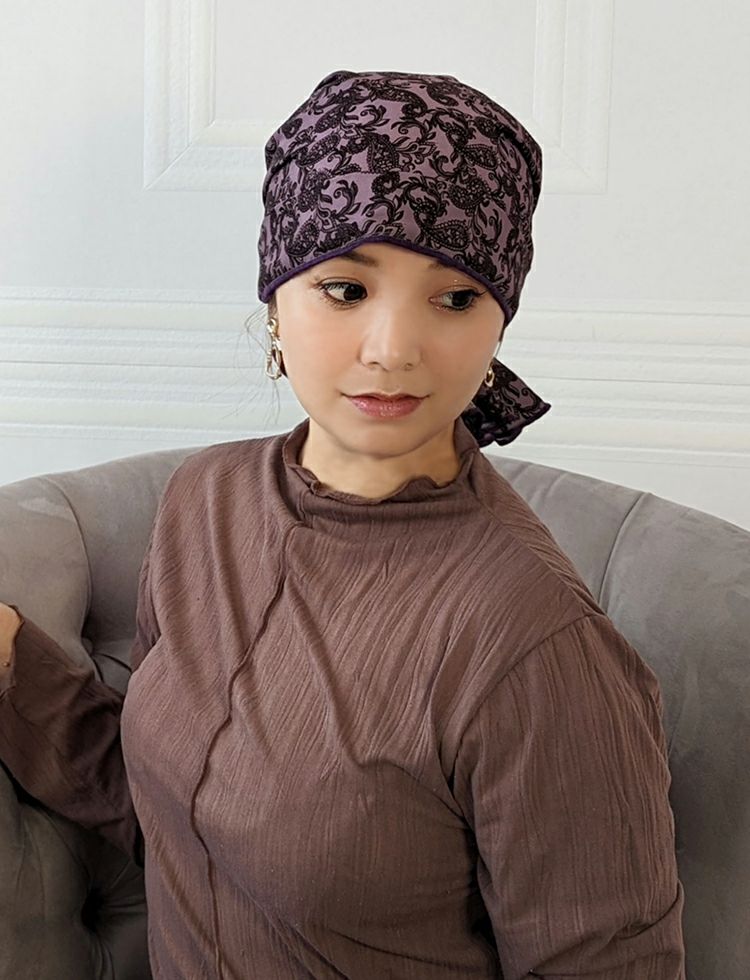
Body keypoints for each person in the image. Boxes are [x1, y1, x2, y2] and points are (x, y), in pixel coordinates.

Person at [0, 70, 685, 978]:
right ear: (276, 302)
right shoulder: (205, 500)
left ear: (498, 326)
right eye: (345, 288)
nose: (392, 348)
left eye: (455, 297)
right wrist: (13, 664)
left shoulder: (537, 644)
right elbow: (173, 811)